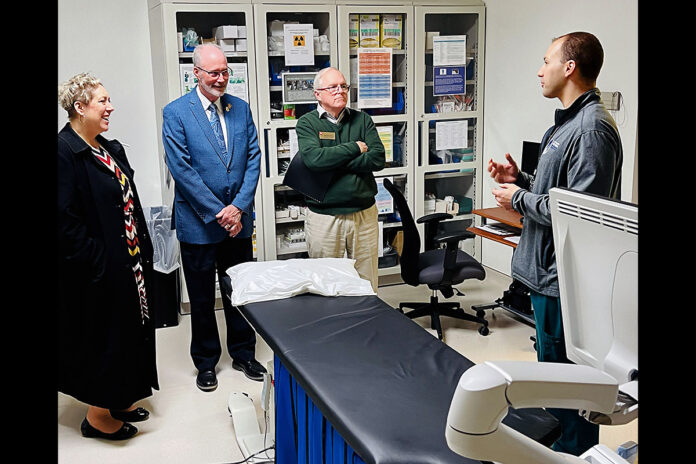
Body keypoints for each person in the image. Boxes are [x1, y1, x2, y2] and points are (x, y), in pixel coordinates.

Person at [488, 32, 623, 456]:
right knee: (552, 379)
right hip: (544, 273)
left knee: (570, 386)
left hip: (562, 281)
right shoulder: (564, 126)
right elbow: (561, 194)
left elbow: (582, 215)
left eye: (546, 60)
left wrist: (520, 200)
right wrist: (521, 181)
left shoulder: (591, 130)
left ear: (569, 68)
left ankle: (577, 455)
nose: (539, 69)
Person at [58, 73, 159, 440]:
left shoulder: (108, 148)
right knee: (105, 337)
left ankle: (123, 396)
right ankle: (97, 416)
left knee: (131, 330)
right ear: (80, 107)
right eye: (102, 101)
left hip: (128, 260)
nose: (110, 107)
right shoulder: (64, 152)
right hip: (99, 268)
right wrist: (98, 261)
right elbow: (64, 221)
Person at [162, 43, 265, 391]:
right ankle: (206, 362)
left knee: (238, 292)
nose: (221, 79)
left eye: (225, 72)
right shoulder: (176, 113)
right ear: (196, 74)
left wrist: (238, 207)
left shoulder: (240, 108)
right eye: (214, 73)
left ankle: (243, 353)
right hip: (199, 224)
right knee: (203, 297)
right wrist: (219, 212)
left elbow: (253, 157)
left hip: (238, 222)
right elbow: (182, 169)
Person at [295, 67, 385, 291]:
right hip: (324, 216)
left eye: (343, 86)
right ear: (317, 94)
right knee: (326, 283)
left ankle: (367, 325)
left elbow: (377, 159)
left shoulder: (362, 120)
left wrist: (333, 158)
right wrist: (355, 147)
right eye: (333, 87)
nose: (340, 91)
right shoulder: (307, 123)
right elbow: (314, 160)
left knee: (366, 282)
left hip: (363, 214)